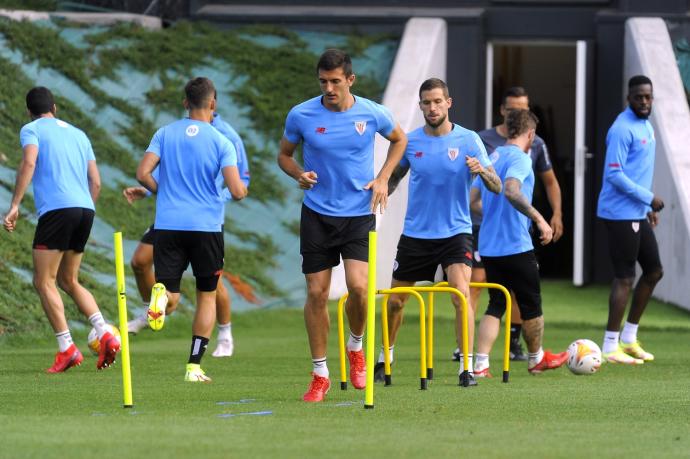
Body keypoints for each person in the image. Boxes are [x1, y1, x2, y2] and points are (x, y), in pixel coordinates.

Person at [277, 49, 407, 402]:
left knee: (359, 289)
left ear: (350, 80)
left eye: (336, 81)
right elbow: (284, 156)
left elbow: (400, 139)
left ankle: (356, 346)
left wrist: (383, 178)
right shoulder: (301, 114)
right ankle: (320, 374)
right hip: (317, 213)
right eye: (323, 81)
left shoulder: (372, 112)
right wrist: (298, 174)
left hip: (357, 213)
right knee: (317, 294)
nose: (329, 88)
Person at [373, 78, 502, 386]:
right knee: (395, 302)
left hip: (456, 233)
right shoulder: (411, 141)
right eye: (426, 103)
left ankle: (466, 368)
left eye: (437, 101)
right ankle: (384, 359)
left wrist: (481, 170)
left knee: (460, 294)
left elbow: (496, 186)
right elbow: (394, 177)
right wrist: (382, 190)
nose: (432, 108)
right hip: (416, 234)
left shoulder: (469, 140)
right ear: (420, 106)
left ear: (448, 103)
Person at [136, 77, 247, 382]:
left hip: (168, 224)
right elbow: (236, 190)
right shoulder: (221, 141)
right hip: (205, 226)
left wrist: (163, 192)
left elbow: (142, 172)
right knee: (206, 296)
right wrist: (240, 192)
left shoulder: (164, 133)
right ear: (213, 104)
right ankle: (194, 366)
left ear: (185, 102)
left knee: (171, 293)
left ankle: (160, 296)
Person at [3, 86, 119, 372]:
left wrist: (15, 204)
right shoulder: (80, 135)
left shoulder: (31, 129)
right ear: (54, 107)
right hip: (84, 210)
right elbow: (97, 182)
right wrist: (84, 210)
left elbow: (29, 161)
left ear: (30, 111)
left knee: (44, 281)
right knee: (69, 280)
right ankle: (104, 331)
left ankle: (67, 348)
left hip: (57, 211)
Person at [462, 86, 563, 363]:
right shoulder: (521, 158)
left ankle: (480, 363)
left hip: (490, 245)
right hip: (515, 244)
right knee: (531, 304)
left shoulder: (494, 156)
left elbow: (473, 200)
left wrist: (495, 212)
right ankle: (536, 358)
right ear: (530, 134)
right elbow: (511, 190)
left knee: (496, 304)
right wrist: (540, 218)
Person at [597, 75, 663, 365]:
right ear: (629, 98)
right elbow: (614, 174)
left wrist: (645, 205)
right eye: (639, 97)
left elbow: (638, 170)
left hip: (636, 211)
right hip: (619, 213)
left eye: (648, 97)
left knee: (654, 271)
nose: (645, 102)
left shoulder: (646, 124)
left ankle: (628, 338)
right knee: (625, 278)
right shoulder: (622, 128)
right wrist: (648, 198)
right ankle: (610, 345)